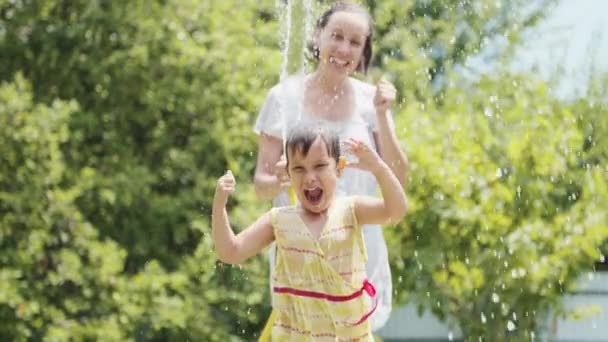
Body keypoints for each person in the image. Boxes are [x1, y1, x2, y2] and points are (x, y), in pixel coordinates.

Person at [253, 1, 409, 330]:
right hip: (301, 252)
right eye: (336, 36)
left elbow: (400, 180)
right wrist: (281, 179)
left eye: (355, 42)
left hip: (360, 249)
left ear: (364, 50)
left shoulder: (372, 104)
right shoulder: (283, 98)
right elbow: (260, 184)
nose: (343, 48)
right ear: (318, 36)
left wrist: (382, 115)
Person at [212, 125, 408, 340]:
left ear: (339, 167)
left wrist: (379, 168)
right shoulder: (279, 220)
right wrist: (219, 206)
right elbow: (230, 251)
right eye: (299, 168)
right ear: (288, 173)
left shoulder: (351, 210)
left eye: (320, 166)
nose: (310, 177)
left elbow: (396, 210)